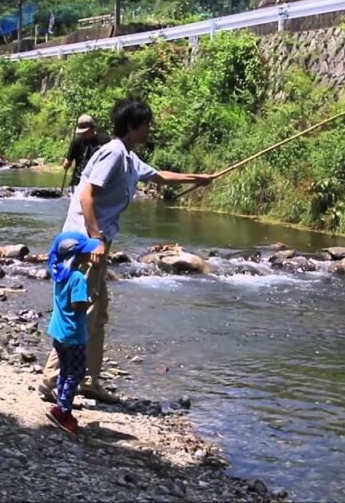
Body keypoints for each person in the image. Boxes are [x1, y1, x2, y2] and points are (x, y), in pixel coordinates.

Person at [39, 97, 215, 405]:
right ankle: (52, 380)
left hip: (97, 244)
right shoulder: (113, 154)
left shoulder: (129, 157)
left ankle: (88, 380)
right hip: (84, 243)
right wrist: (94, 239)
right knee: (80, 311)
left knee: (98, 314)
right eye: (146, 124)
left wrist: (197, 179)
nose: (149, 129)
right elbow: (86, 195)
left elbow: (158, 176)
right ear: (132, 126)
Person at [44, 231, 100, 434]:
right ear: (77, 256)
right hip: (74, 334)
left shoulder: (59, 272)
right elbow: (77, 305)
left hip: (59, 332)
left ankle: (60, 405)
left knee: (65, 371)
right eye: (86, 252)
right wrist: (89, 300)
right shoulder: (77, 278)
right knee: (75, 373)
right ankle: (63, 411)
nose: (89, 254)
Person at [64, 114, 109, 189]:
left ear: (93, 128)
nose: (83, 134)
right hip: (78, 180)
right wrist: (66, 164)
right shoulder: (77, 142)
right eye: (81, 132)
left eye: (86, 132)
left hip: (97, 181)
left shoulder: (104, 140)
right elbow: (68, 161)